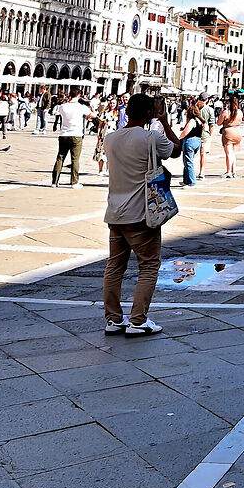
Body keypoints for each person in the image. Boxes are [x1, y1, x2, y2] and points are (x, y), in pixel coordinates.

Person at [99, 93, 177, 337]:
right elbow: (176, 149)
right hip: (142, 213)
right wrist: (164, 122)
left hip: (114, 212)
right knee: (149, 264)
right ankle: (138, 320)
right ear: (148, 113)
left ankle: (113, 319)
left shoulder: (110, 139)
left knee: (114, 266)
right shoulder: (151, 138)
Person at [51, 93, 91, 186]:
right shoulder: (81, 107)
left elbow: (57, 113)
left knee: (60, 157)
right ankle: (74, 182)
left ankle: (54, 181)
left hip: (64, 134)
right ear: (78, 95)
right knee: (75, 159)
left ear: (69, 95)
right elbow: (92, 115)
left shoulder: (63, 106)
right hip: (76, 134)